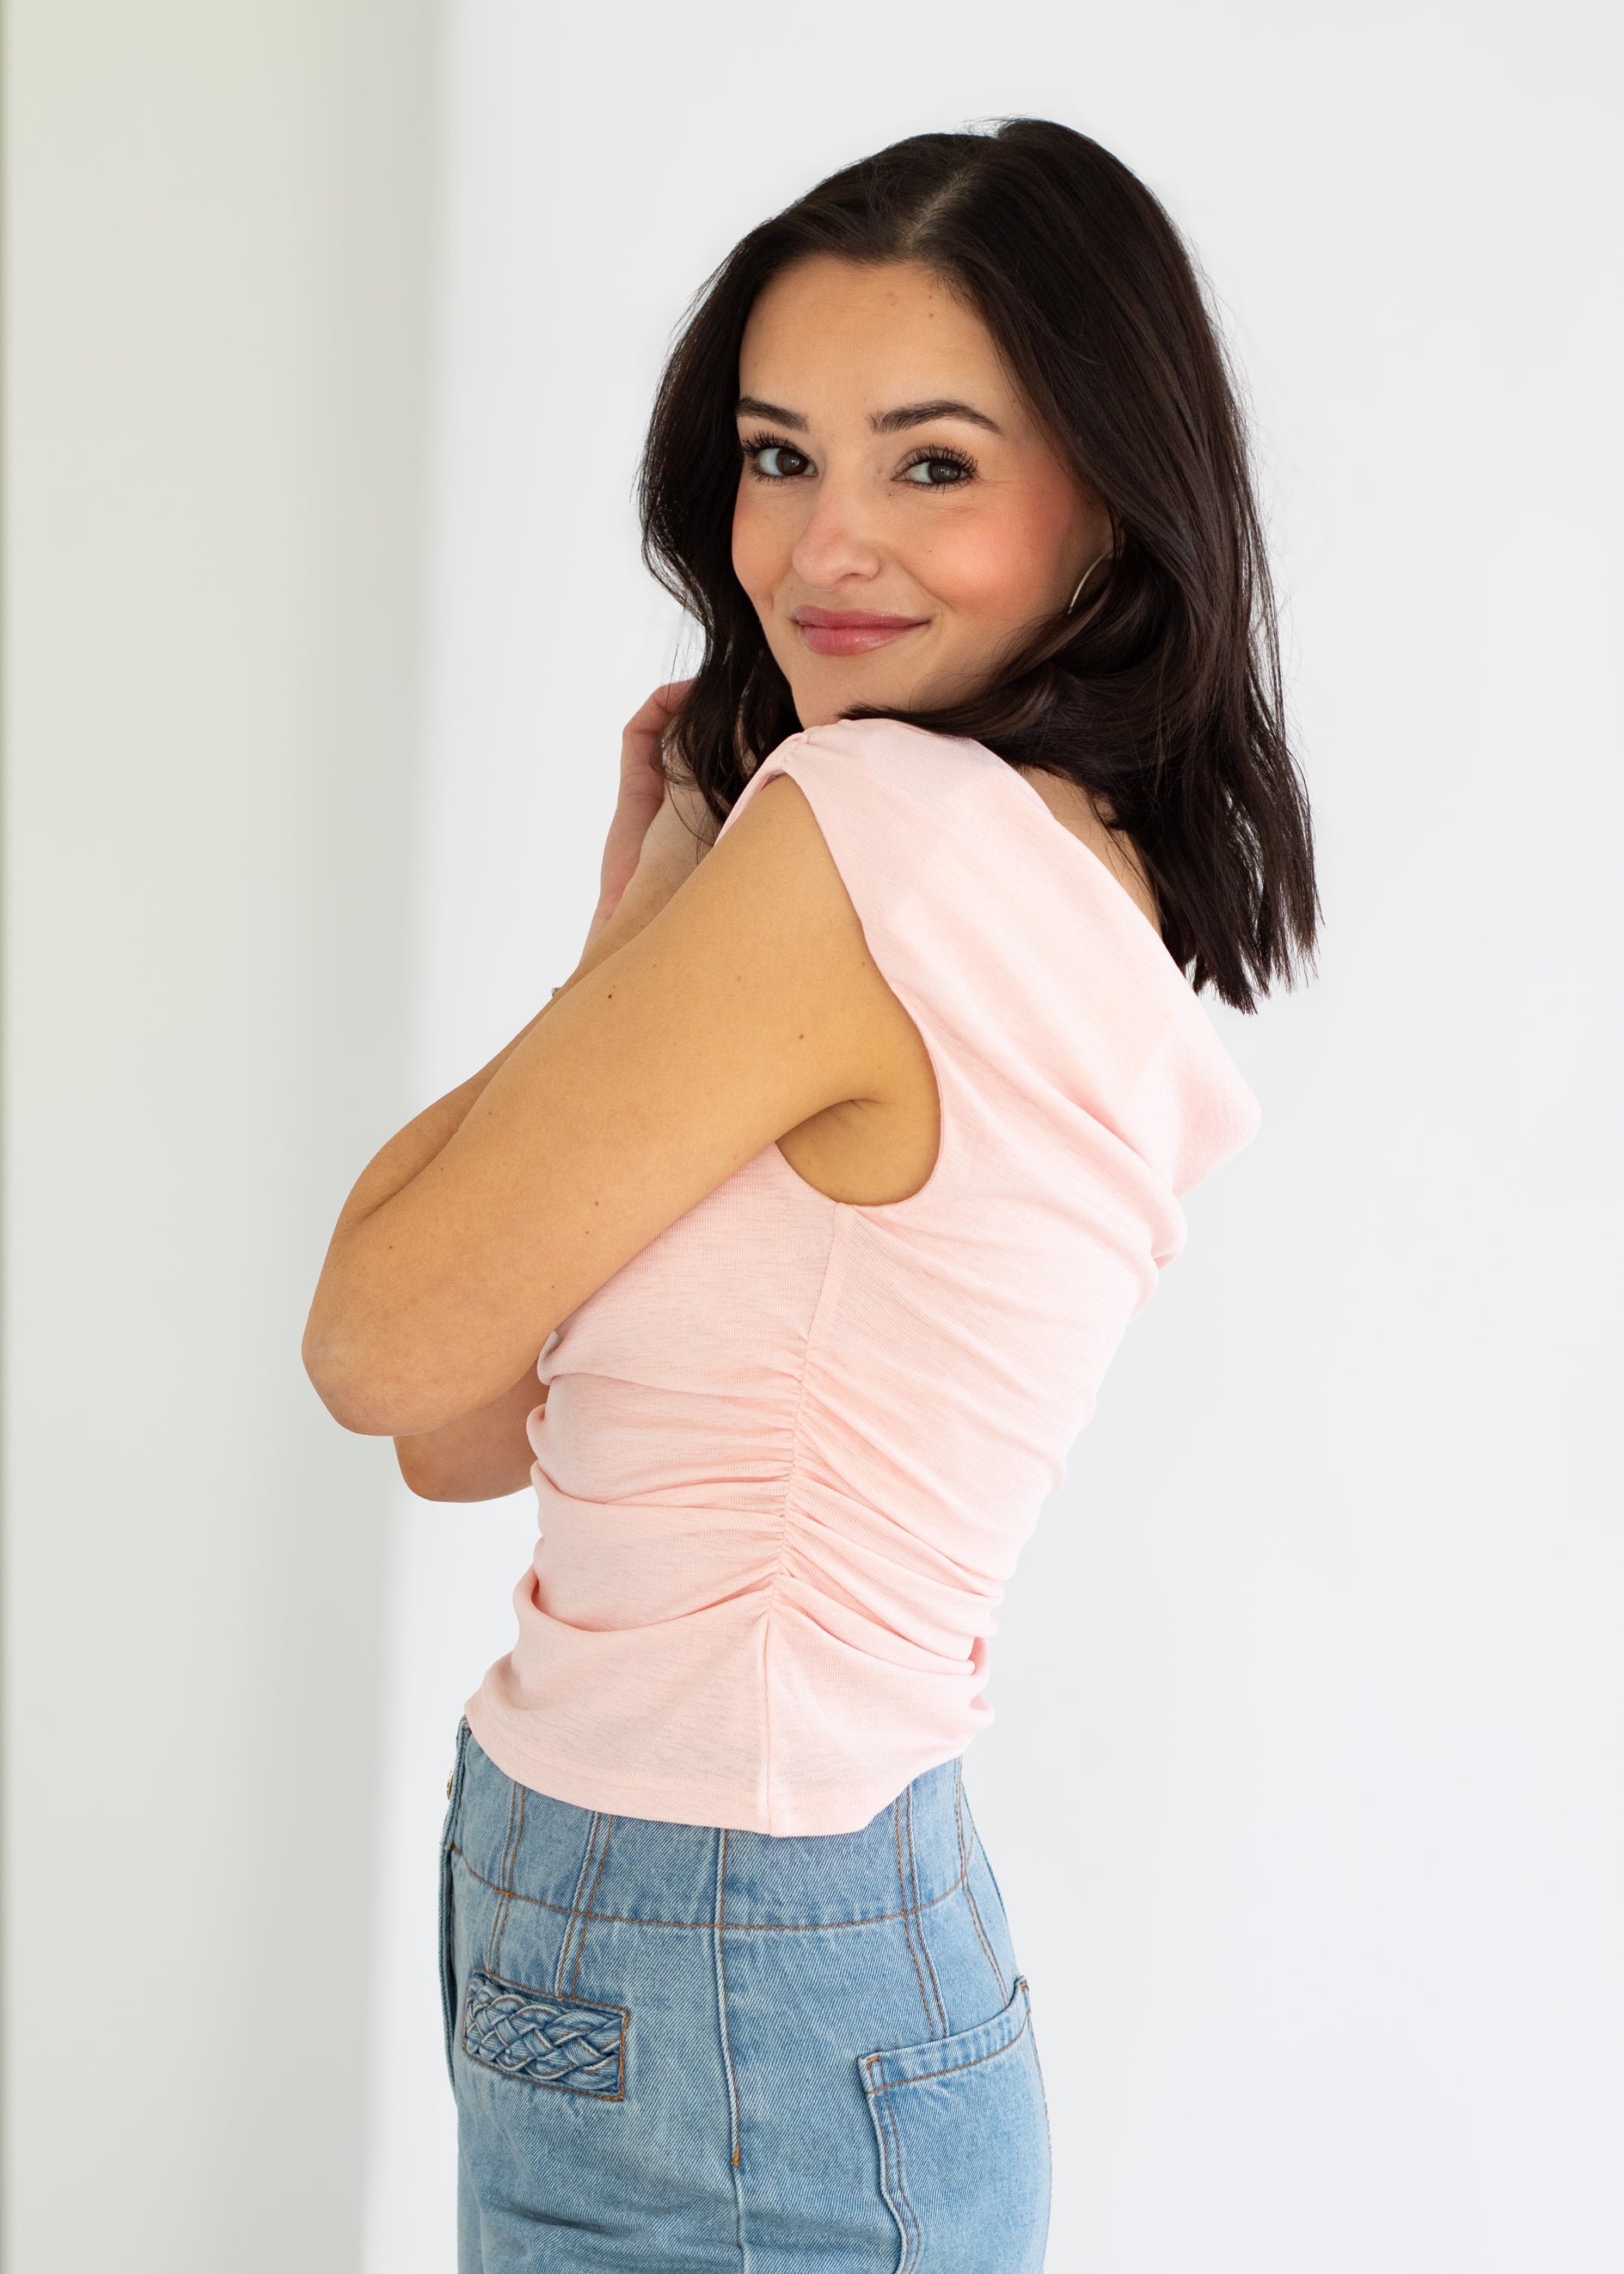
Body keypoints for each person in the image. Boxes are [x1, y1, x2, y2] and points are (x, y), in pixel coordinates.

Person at [303, 116, 1316, 2274]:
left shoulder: (876, 839)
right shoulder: (1038, 873)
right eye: (780, 456)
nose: (826, 543)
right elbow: (461, 1438)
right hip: (770, 1947)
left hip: (721, 1963)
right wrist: (643, 944)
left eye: (931, 463)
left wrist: (633, 947)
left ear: (1113, 495)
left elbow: (373, 1341)